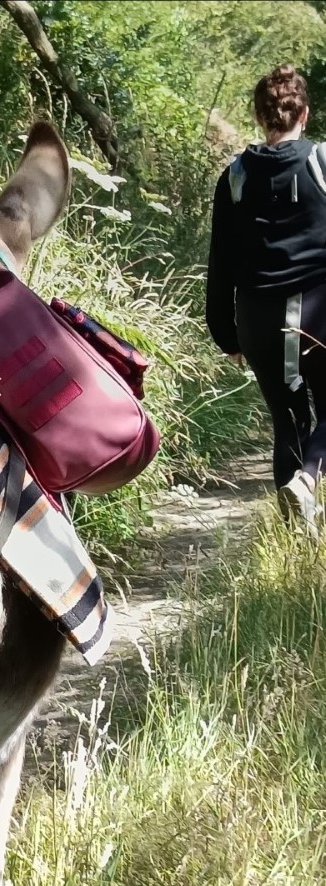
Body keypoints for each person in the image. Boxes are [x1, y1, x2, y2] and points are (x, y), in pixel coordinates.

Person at [206, 64, 326, 535]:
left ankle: (297, 538)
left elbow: (221, 262)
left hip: (256, 318)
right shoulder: (321, 162)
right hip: (316, 311)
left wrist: (226, 333)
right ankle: (308, 479)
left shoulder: (234, 177)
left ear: (259, 116)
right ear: (305, 112)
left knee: (289, 421)